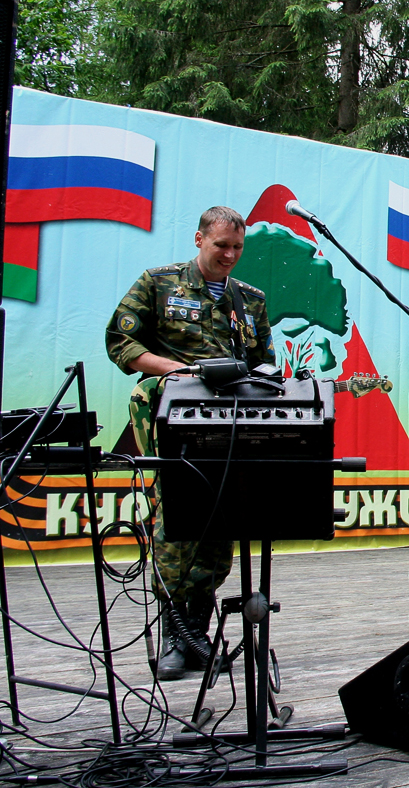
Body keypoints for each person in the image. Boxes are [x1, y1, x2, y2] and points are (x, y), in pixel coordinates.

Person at [105, 206, 275, 679]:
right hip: (170, 413)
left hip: (228, 419)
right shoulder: (159, 283)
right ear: (199, 239)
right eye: (221, 245)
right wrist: (175, 370)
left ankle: (197, 633)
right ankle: (173, 636)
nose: (230, 254)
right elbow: (121, 342)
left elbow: (264, 363)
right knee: (177, 514)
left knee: (220, 515)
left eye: (237, 247)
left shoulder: (250, 300)